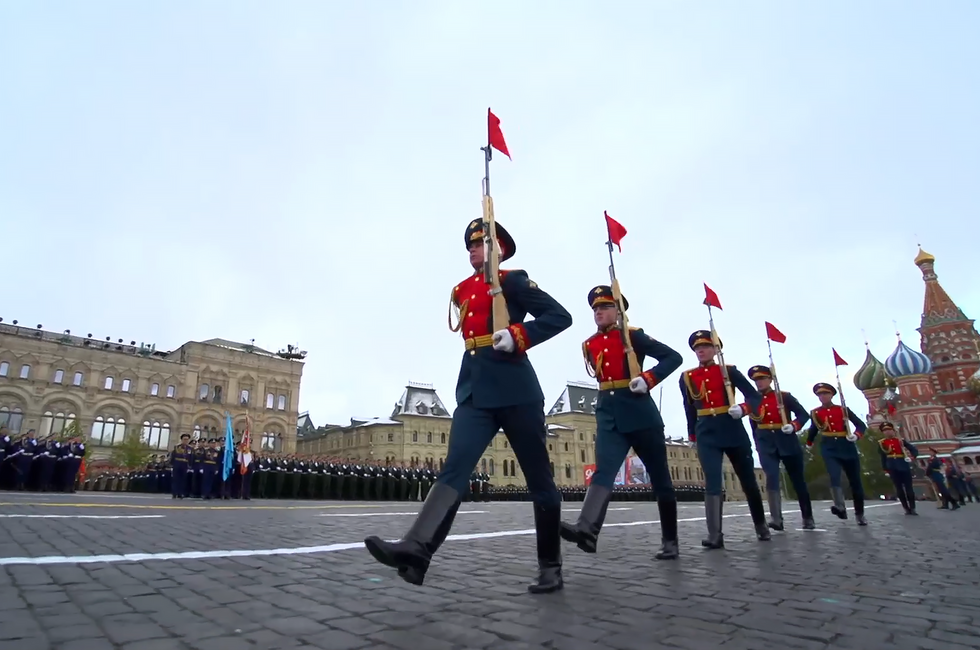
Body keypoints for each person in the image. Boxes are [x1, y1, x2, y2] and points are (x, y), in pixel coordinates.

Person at [364, 219, 573, 593]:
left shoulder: (513, 281)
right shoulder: (462, 290)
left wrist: (519, 335)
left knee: (539, 480)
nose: (472, 250)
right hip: (475, 392)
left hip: (516, 390)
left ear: (499, 249)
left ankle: (550, 566)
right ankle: (416, 549)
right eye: (470, 245)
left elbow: (560, 317)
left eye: (480, 244)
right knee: (454, 470)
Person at [560, 285, 683, 559]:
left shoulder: (633, 337)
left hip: (640, 412)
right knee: (604, 471)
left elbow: (673, 357)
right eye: (595, 309)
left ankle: (670, 540)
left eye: (604, 307)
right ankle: (587, 530)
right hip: (609, 414)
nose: (598, 312)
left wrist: (649, 378)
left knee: (661, 479)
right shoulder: (590, 343)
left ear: (618, 311)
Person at [680, 331, 769, 548]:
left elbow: (754, 396)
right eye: (697, 348)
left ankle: (761, 525)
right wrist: (692, 434)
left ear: (716, 349)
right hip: (706, 433)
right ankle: (715, 534)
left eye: (705, 346)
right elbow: (689, 407)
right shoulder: (688, 377)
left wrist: (745, 409)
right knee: (712, 480)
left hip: (731, 428)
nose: (700, 351)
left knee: (747, 479)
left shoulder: (728, 372)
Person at [746, 365, 815, 531]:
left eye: (762, 379)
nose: (759, 383)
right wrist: (757, 444)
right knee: (771, 476)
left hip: (786, 439)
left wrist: (794, 425)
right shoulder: (752, 399)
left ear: (770, 379)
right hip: (766, 442)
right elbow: (753, 424)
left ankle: (807, 517)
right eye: (756, 380)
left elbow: (803, 415)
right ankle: (776, 518)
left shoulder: (784, 397)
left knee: (797, 480)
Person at [805, 383, 868, 525]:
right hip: (829, 447)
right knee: (834, 475)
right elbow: (813, 429)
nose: (822, 397)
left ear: (832, 395)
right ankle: (840, 506)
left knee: (855, 481)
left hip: (846, 445)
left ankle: (860, 514)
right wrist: (809, 442)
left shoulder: (843, 410)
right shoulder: (816, 413)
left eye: (825, 394)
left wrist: (856, 435)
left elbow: (860, 425)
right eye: (820, 395)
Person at [876, 422, 918, 515]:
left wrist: (911, 458)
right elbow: (883, 457)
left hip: (904, 465)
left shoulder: (900, 441)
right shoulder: (882, 443)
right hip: (892, 467)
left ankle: (913, 507)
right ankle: (906, 508)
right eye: (885, 431)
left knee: (909, 488)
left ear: (893, 431)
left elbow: (914, 450)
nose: (887, 432)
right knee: (899, 489)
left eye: (889, 430)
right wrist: (885, 469)